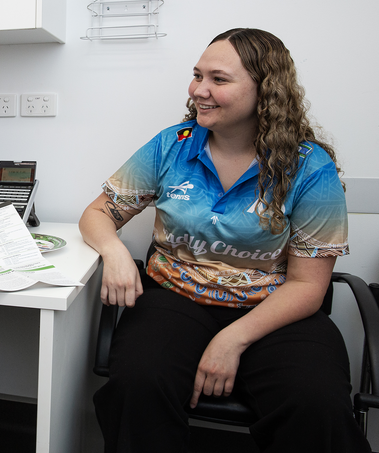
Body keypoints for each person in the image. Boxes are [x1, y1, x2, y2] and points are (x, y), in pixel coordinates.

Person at [79, 28, 371, 452]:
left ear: (265, 91)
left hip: (273, 309)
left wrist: (230, 339)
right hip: (175, 298)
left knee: (315, 404)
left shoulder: (309, 168)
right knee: (139, 385)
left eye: (219, 79)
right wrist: (114, 251)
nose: (199, 90)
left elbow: (309, 285)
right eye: (197, 76)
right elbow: (98, 213)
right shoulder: (173, 146)